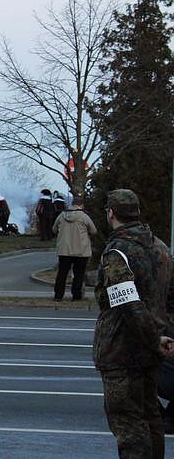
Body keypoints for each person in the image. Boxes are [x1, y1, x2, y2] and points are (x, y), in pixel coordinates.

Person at [94, 189, 174, 458]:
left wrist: (153, 337)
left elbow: (127, 304)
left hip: (123, 351)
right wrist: (162, 335)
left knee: (129, 425)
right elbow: (169, 298)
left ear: (111, 213)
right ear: (137, 212)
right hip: (152, 352)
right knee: (151, 419)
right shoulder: (160, 247)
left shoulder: (118, 252)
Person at [52, 196, 97, 301]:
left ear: (72, 203)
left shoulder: (62, 215)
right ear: (82, 205)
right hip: (81, 250)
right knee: (79, 274)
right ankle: (76, 296)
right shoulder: (83, 216)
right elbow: (94, 230)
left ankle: (58, 296)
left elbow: (54, 229)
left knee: (62, 273)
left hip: (64, 250)